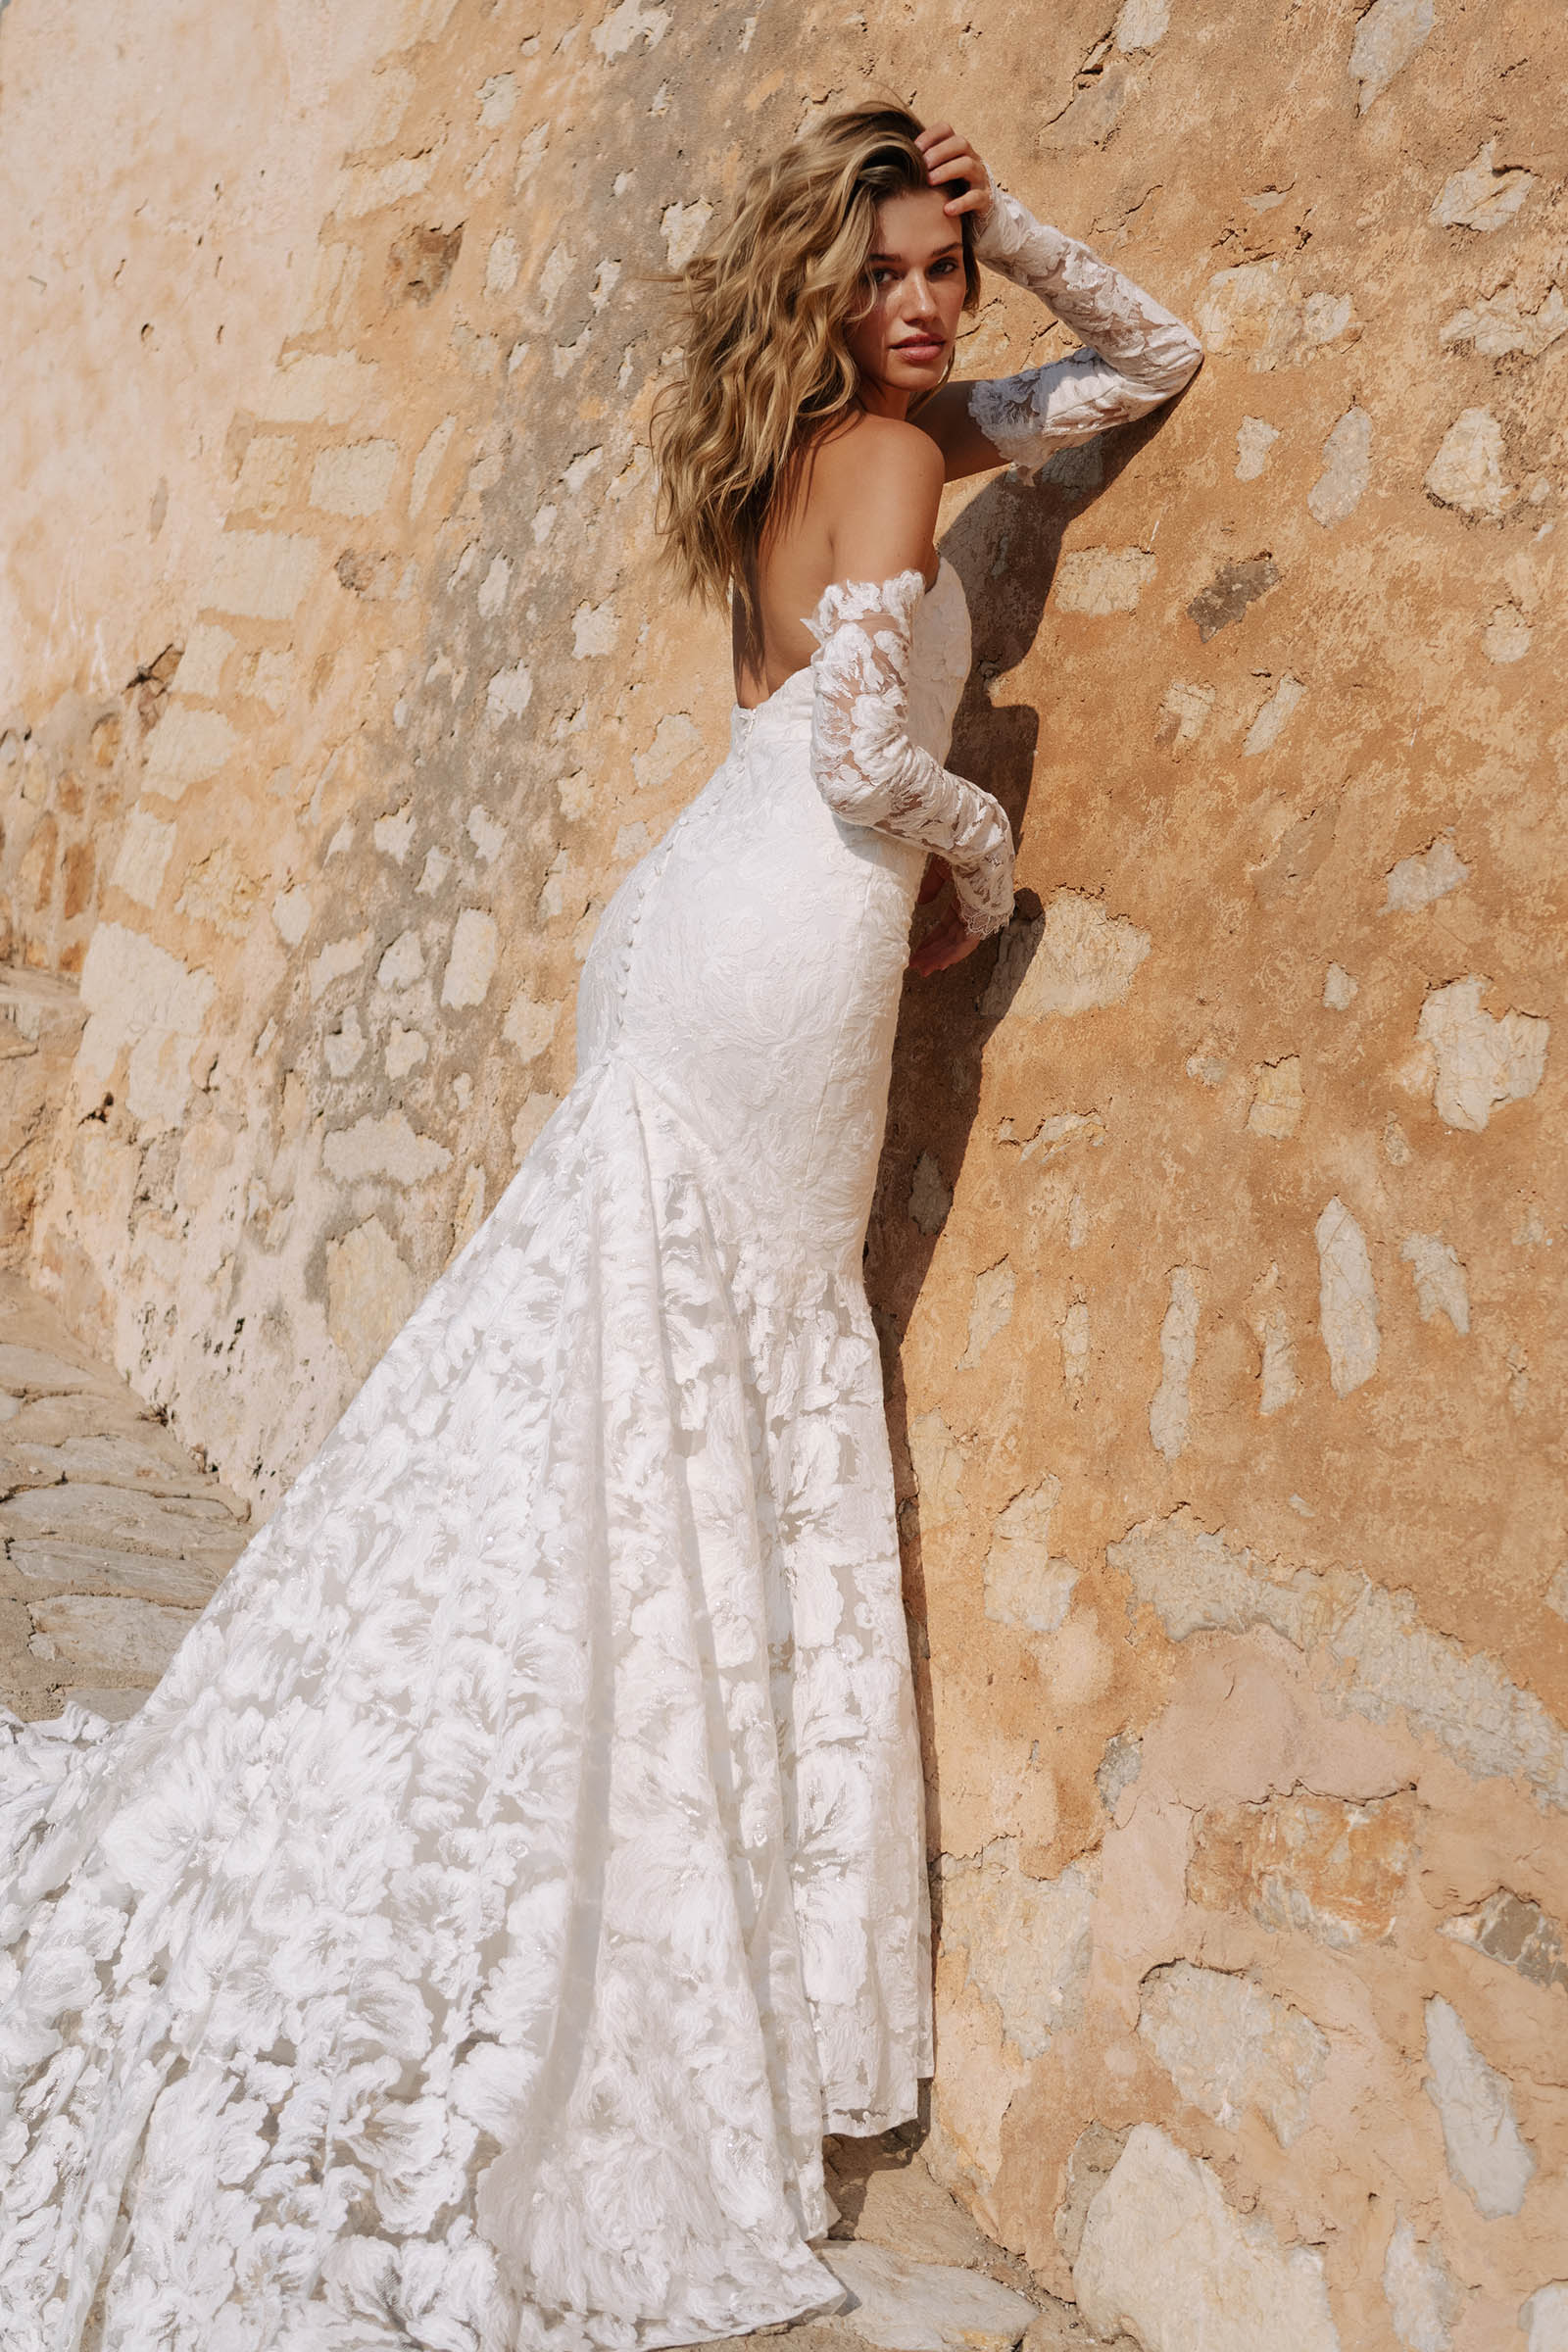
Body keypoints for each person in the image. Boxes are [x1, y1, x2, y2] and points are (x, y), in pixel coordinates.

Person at [0, 107, 1199, 2352]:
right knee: (676, 1371)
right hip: (778, 939)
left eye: (946, 266)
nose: (931, 304)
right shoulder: (883, 453)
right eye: (895, 271)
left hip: (719, 934)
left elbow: (1150, 356)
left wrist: (1016, 223)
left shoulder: (879, 440)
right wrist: (982, 867)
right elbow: (859, 756)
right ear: (823, 299)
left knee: (632, 1386)